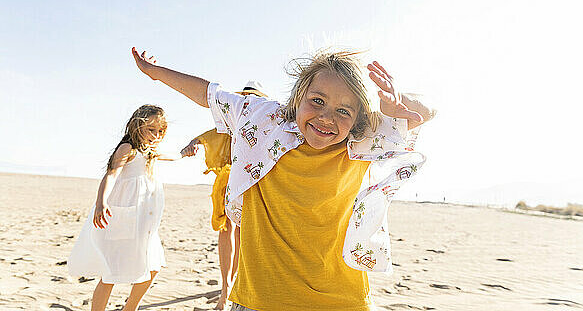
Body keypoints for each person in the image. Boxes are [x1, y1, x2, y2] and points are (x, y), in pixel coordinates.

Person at [131, 47, 435, 311]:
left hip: (341, 300)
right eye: (317, 101)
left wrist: (397, 103)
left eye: (343, 110)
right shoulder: (263, 119)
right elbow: (208, 93)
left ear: (358, 117)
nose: (327, 118)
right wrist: (155, 72)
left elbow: (429, 110)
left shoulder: (364, 139)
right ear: (299, 95)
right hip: (259, 300)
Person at [68, 104, 187, 311]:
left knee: (153, 266)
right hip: (124, 218)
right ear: (136, 126)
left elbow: (174, 156)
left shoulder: (151, 152)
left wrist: (188, 150)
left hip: (145, 223)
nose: (156, 135)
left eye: (160, 131)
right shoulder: (128, 149)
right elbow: (112, 174)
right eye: (151, 130)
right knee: (111, 272)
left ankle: (129, 308)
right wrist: (101, 202)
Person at [180, 81, 267, 310]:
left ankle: (232, 287)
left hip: (252, 186)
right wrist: (192, 145)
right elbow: (203, 138)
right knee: (227, 230)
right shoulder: (228, 123)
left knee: (242, 234)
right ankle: (226, 289)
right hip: (228, 185)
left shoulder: (263, 123)